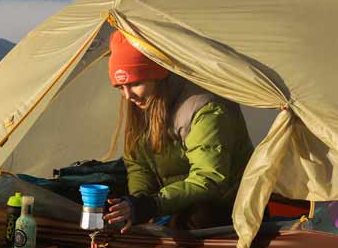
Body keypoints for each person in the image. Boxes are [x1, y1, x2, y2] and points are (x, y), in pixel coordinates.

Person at [102, 31, 254, 233]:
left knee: (196, 219)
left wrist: (152, 205)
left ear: (157, 76)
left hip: (227, 204)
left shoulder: (205, 108)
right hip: (175, 201)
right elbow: (138, 165)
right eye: (120, 87)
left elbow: (209, 179)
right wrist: (138, 202)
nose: (128, 95)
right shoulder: (141, 107)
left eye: (135, 84)